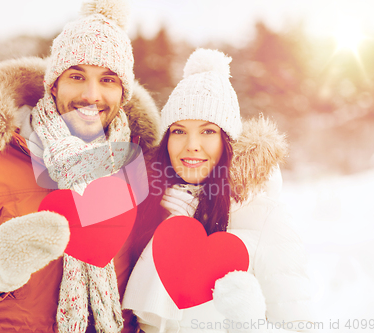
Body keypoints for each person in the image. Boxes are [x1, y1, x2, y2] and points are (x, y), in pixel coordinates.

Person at [0, 0, 159, 332]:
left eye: (108, 80)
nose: (91, 94)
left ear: (124, 92)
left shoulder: (138, 163)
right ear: (53, 84)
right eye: (77, 76)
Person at [122, 49, 314, 332]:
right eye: (178, 131)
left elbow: (298, 325)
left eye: (208, 131)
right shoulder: (152, 204)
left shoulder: (265, 216)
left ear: (228, 141)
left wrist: (248, 324)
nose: (192, 145)